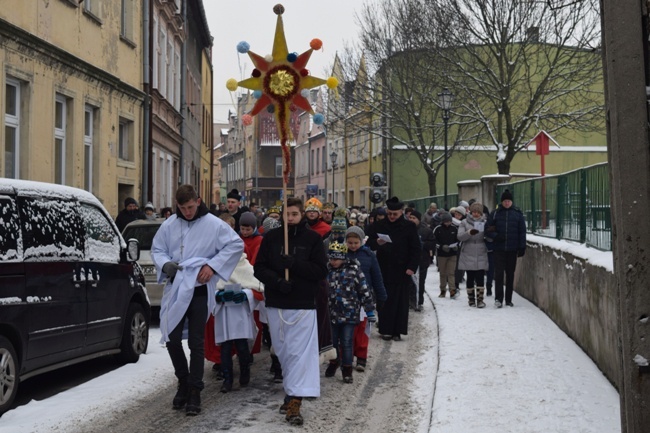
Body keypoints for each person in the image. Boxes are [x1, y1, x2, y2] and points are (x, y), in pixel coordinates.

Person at [151, 184, 244, 416]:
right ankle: (183, 381)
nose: (187, 212)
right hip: (176, 287)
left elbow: (235, 245)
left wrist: (212, 266)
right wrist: (166, 264)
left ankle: (195, 390)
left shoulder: (213, 224)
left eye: (191, 207)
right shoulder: (170, 224)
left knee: (196, 342)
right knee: (171, 338)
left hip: (199, 289)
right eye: (182, 208)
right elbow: (158, 249)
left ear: (199, 201)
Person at [253, 197, 328, 426]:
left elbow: (320, 271)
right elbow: (259, 268)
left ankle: (296, 400)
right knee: (283, 351)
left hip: (303, 303)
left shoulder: (313, 239)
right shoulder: (272, 238)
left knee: (300, 354)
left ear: (302, 214)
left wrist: (294, 264)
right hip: (277, 302)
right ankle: (290, 390)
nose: (291, 218)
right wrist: (277, 281)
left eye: (295, 214)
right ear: (283, 215)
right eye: (288, 214)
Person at [365, 196, 421, 341]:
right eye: (389, 213)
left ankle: (398, 330)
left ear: (401, 212)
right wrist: (377, 242)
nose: (391, 217)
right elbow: (368, 243)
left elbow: (416, 249)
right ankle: (385, 329)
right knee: (384, 300)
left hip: (402, 269)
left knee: (401, 301)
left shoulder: (408, 227)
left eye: (394, 214)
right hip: (383, 268)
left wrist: (412, 267)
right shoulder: (379, 225)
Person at [324, 241, 376, 384]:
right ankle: (334, 362)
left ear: (343, 258)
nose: (333, 262)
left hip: (350, 314)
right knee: (332, 342)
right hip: (332, 314)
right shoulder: (327, 271)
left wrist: (369, 310)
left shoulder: (354, 271)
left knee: (347, 342)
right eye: (331, 259)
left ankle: (347, 369)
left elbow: (364, 291)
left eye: (336, 259)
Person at [212, 256, 263, 393]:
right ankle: (227, 380)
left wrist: (246, 294)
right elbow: (210, 287)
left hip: (241, 312)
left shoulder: (244, 265)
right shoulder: (217, 265)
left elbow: (257, 286)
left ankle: (244, 373)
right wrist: (218, 295)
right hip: (224, 312)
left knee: (242, 346)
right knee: (226, 347)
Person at [345, 225, 386, 372]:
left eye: (356, 243)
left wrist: (381, 295)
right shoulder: (342, 255)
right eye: (350, 243)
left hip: (364, 299)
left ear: (362, 241)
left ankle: (361, 357)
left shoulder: (369, 255)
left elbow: (376, 276)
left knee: (362, 331)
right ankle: (347, 357)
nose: (353, 246)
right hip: (346, 299)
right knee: (348, 331)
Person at [486, 189, 527, 308]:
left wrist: (522, 247)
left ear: (511, 202)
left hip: (512, 249)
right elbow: (487, 229)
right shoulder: (495, 213)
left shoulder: (517, 214)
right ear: (502, 202)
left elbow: (522, 232)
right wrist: (496, 236)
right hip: (498, 249)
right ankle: (498, 299)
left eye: (509, 201)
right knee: (498, 274)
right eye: (505, 201)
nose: (507, 203)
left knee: (510, 274)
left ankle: (508, 299)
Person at [457, 202, 489, 308]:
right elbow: (460, 236)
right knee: (470, 276)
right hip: (468, 251)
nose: (475, 214)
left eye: (478, 212)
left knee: (480, 276)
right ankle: (471, 299)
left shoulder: (485, 222)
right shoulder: (464, 222)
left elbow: (488, 236)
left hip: (480, 250)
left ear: (481, 213)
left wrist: (489, 233)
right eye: (474, 212)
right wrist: (469, 233)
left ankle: (480, 299)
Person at [408, 210, 435, 311]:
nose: (411, 220)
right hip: (409, 261)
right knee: (409, 282)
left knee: (420, 282)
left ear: (418, 220)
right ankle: (410, 301)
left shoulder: (426, 231)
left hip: (422, 260)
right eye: (410, 218)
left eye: (414, 218)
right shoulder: (406, 229)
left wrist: (422, 244)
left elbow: (432, 244)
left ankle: (419, 301)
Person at [433, 212, 459, 298]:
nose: (448, 223)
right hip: (441, 255)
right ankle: (443, 290)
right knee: (443, 273)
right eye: (446, 222)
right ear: (443, 221)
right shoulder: (438, 229)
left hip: (452, 254)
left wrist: (456, 246)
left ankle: (452, 290)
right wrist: (441, 246)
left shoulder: (454, 229)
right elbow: (434, 241)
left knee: (451, 273)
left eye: (449, 221)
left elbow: (458, 240)